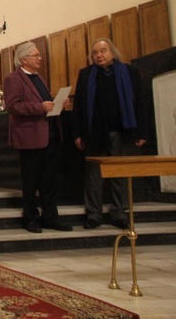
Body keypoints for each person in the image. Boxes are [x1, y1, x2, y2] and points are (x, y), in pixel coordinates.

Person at [71, 38, 148, 230]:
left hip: (123, 132)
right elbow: (79, 106)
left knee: (120, 174)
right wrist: (77, 134)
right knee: (94, 175)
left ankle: (119, 213)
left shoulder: (129, 72)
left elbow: (140, 102)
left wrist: (142, 131)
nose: (99, 55)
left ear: (112, 52)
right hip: (95, 133)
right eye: (95, 52)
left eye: (103, 51)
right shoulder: (86, 74)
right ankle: (94, 214)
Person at [3, 41, 72, 234]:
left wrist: (59, 104)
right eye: (36, 55)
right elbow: (13, 106)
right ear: (24, 59)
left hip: (49, 135)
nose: (40, 58)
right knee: (31, 180)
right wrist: (39, 107)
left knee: (49, 180)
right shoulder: (13, 79)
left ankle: (50, 217)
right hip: (29, 137)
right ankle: (31, 217)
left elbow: (45, 103)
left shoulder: (38, 77)